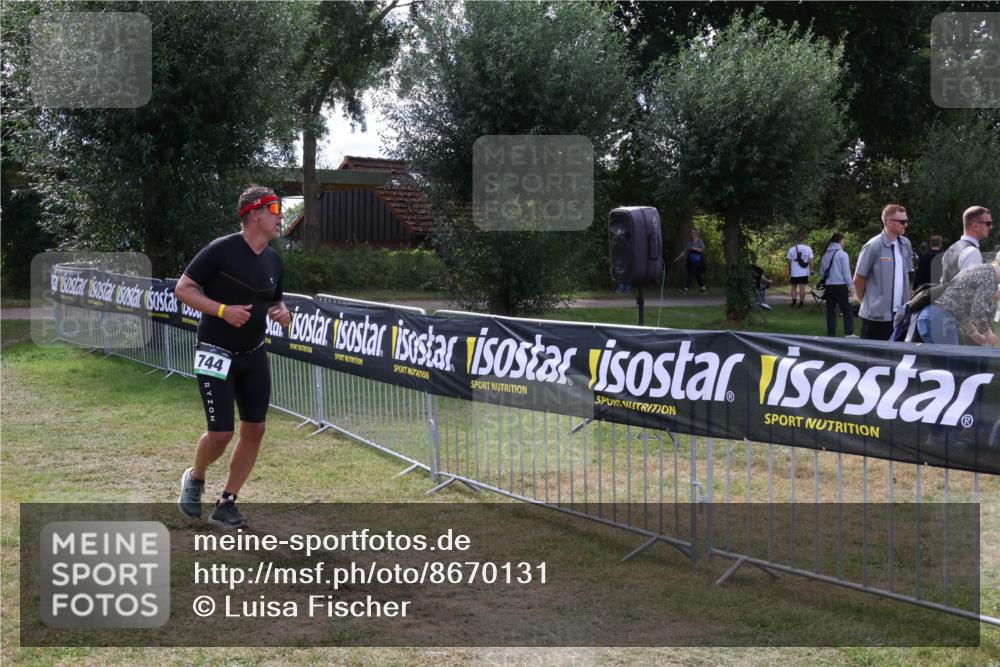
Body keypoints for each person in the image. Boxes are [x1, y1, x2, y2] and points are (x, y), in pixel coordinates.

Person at [175, 185, 292, 529]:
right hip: (215, 351)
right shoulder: (220, 250)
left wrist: (282, 312)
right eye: (274, 210)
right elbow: (183, 289)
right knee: (221, 433)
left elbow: (275, 300)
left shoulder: (273, 259)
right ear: (254, 214)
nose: (280, 216)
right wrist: (222, 310)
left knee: (255, 428)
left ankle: (227, 502)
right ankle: (195, 477)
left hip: (254, 353)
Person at [853, 203, 915, 341]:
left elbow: (907, 275)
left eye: (906, 221)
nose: (905, 225)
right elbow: (858, 279)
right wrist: (871, 303)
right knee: (872, 360)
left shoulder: (906, 244)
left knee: (898, 360)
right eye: (902, 222)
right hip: (876, 319)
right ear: (888, 222)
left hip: (900, 316)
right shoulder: (872, 246)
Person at [916, 251, 1000, 346]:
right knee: (951, 360)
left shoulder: (981, 269)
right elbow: (978, 311)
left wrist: (974, 333)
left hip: (929, 315)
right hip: (941, 319)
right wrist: (990, 336)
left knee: (941, 360)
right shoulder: (990, 278)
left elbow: (957, 304)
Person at [940, 206, 993, 284]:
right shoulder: (972, 252)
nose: (991, 227)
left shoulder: (950, 249)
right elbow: (972, 289)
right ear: (975, 226)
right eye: (988, 223)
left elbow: (943, 282)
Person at [818, 232, 854, 337]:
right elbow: (846, 272)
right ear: (840, 241)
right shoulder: (842, 254)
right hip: (840, 285)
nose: (844, 242)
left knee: (830, 311)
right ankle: (849, 333)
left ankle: (831, 334)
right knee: (847, 309)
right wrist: (851, 286)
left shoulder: (826, 254)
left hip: (829, 286)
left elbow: (822, 272)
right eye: (844, 240)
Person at [673, 228, 706, 294]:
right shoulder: (690, 242)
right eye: (691, 232)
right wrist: (677, 258)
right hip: (691, 260)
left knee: (690, 273)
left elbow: (702, 249)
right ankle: (703, 288)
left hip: (698, 260)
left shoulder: (700, 241)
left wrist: (695, 248)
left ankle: (686, 289)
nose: (691, 234)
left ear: (696, 234)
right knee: (697, 274)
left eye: (693, 232)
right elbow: (684, 251)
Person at [785, 238, 813, 307]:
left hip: (794, 272)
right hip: (804, 272)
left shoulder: (791, 249)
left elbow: (789, 261)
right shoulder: (808, 248)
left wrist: (789, 269)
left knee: (793, 287)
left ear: (796, 241)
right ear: (803, 241)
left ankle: (794, 302)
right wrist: (811, 269)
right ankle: (801, 303)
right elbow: (811, 260)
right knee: (802, 288)